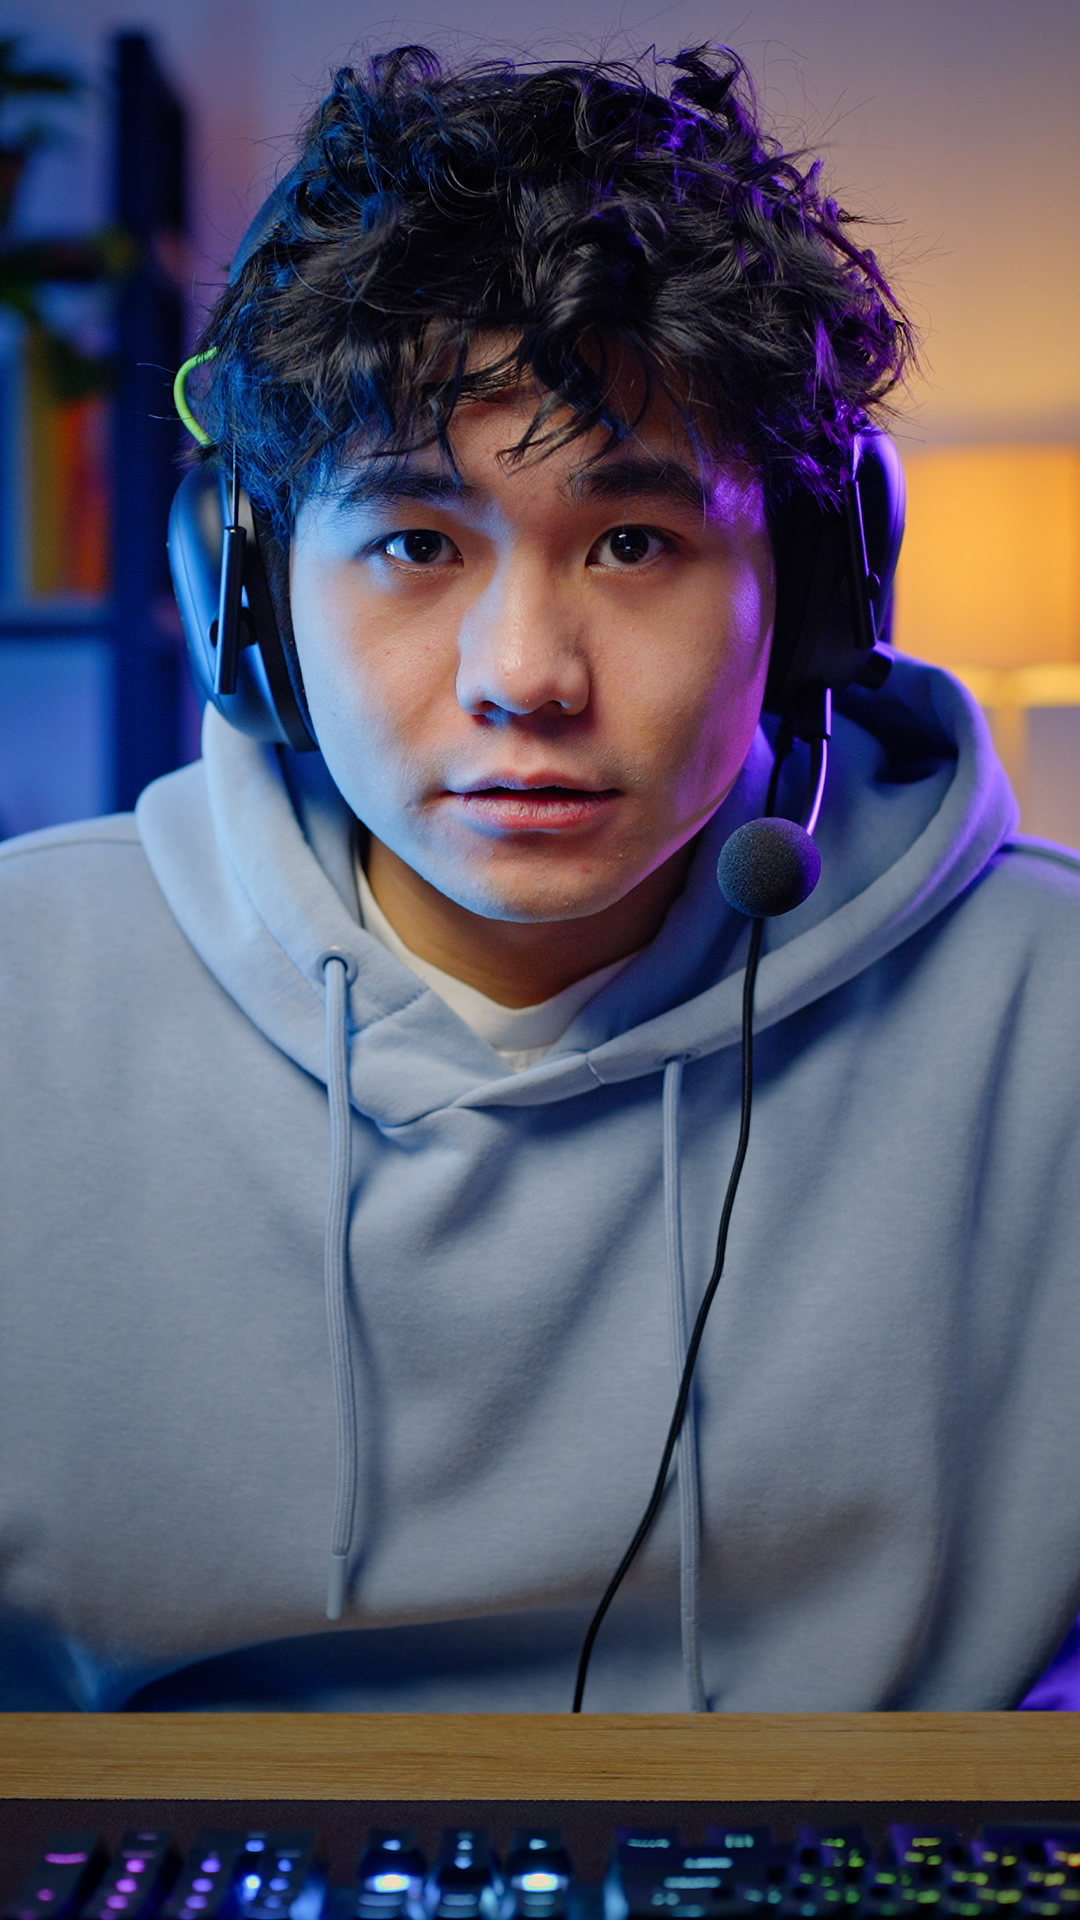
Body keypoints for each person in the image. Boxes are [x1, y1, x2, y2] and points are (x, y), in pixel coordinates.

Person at [2, 42, 1079, 1715]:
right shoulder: (27, 992)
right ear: (249, 595)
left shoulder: (1050, 1011)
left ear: (812, 595)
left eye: (633, 542)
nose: (525, 676)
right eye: (416, 543)